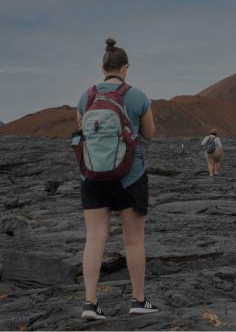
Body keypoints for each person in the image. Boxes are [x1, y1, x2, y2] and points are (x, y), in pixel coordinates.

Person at [76, 38, 158, 320]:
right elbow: (149, 134)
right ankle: (138, 299)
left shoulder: (86, 97)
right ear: (125, 68)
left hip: (92, 177)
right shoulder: (137, 96)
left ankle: (90, 303)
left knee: (95, 238)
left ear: (102, 67)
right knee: (134, 240)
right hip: (129, 177)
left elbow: (83, 133)